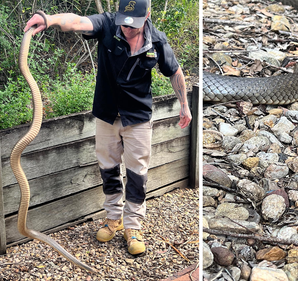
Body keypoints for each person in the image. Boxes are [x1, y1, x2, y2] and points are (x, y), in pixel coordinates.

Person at [24, 0, 192, 256]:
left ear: (147, 15)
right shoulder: (107, 24)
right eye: (123, 24)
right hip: (106, 115)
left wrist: (184, 104)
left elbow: (175, 71)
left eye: (133, 25)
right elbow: (78, 21)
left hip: (137, 117)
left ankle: (133, 226)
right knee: (108, 168)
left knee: (137, 173)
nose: (126, 29)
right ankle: (113, 218)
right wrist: (49, 19)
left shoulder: (157, 40)